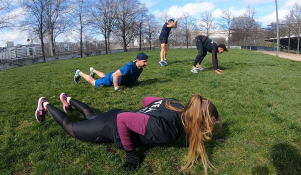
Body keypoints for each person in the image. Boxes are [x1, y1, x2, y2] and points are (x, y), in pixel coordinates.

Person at [35, 92, 221, 173]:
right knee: (70, 127)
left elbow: (148, 99)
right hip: (108, 128)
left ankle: (67, 99)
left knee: (90, 115)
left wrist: (143, 117)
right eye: (208, 127)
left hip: (114, 114)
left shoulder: (177, 105)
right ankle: (45, 104)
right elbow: (123, 120)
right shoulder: (167, 130)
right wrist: (131, 155)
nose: (207, 131)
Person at [74, 52, 148, 91]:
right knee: (94, 83)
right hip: (111, 79)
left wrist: (136, 82)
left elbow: (134, 75)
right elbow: (115, 75)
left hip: (112, 77)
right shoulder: (129, 67)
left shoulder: (140, 68)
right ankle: (79, 73)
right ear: (138, 60)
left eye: (146, 61)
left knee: (104, 77)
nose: (146, 63)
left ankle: (93, 71)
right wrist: (117, 88)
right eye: (144, 61)